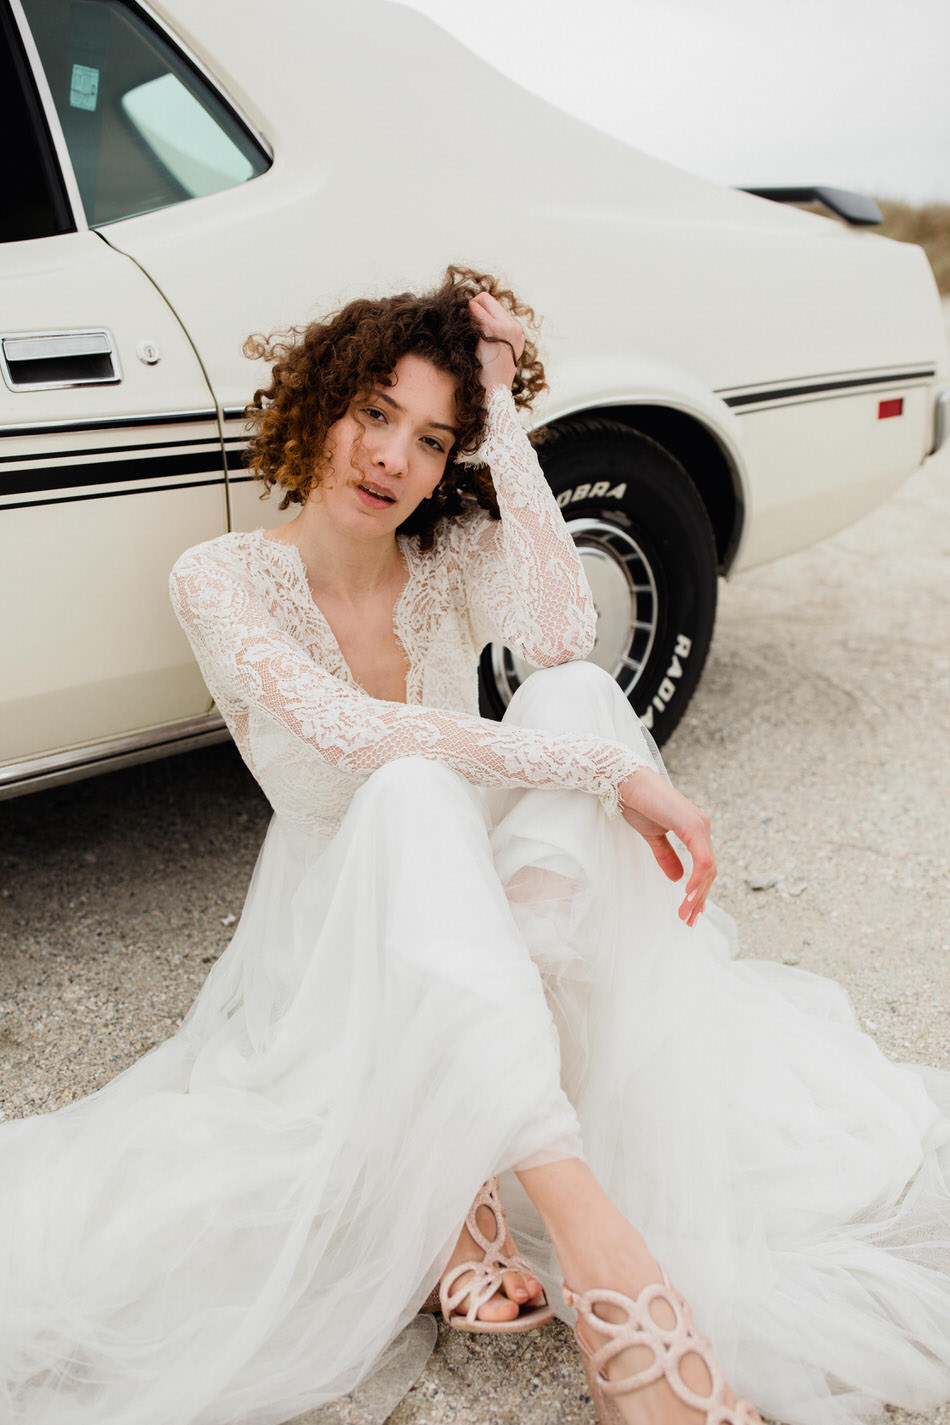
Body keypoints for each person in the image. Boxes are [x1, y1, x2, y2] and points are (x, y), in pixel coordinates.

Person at [0, 267, 948, 1425]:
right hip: (351, 932)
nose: (392, 457)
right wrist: (619, 775)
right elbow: (352, 732)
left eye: (429, 438)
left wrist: (499, 412)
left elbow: (557, 634)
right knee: (408, 785)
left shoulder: (439, 559)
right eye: (373, 414)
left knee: (570, 695)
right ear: (319, 408)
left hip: (491, 930)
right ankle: (605, 1256)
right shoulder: (221, 577)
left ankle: (472, 1152)